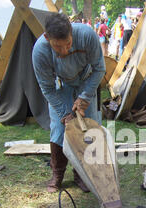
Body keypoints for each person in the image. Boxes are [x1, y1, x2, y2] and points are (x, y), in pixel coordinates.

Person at [32, 13, 105, 193]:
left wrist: (85, 97)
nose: (64, 51)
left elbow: (99, 68)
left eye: (68, 45)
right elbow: (47, 88)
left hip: (87, 81)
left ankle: (81, 174)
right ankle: (57, 174)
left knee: (87, 128)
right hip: (60, 85)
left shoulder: (87, 35)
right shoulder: (40, 52)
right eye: (58, 46)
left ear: (72, 32)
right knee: (58, 128)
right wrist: (65, 113)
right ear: (47, 37)